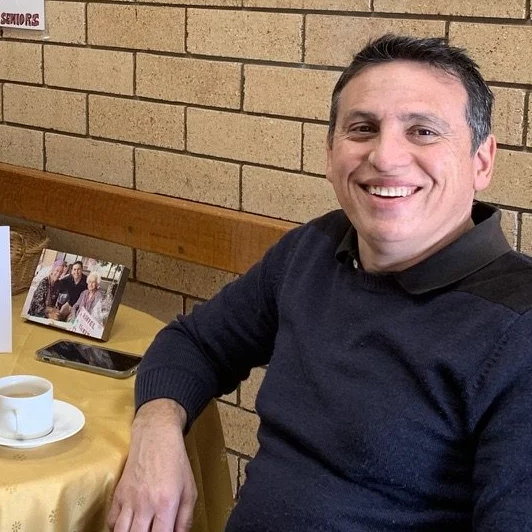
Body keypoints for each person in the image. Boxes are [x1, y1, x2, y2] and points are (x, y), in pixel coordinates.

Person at [108, 35, 532, 532]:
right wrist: (156, 428)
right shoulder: (312, 250)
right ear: (330, 153)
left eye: (422, 131)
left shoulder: (518, 329)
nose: (385, 156)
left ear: (482, 161)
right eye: (362, 128)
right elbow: (195, 343)